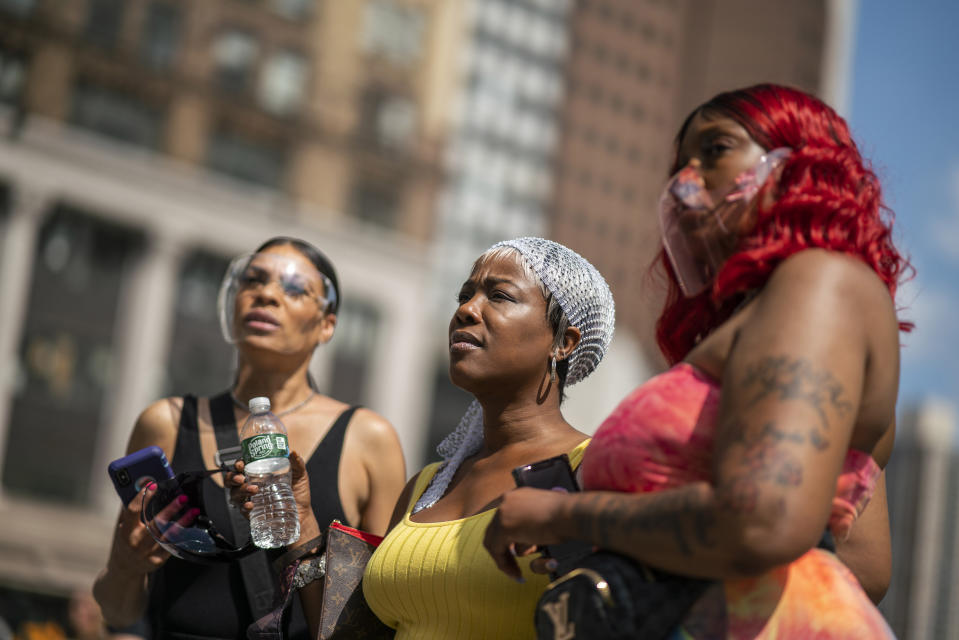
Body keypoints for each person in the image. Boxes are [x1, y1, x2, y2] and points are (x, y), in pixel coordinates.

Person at [483, 84, 909, 638]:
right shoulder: (774, 312)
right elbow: (864, 565)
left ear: (796, 165)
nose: (684, 183)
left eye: (715, 150)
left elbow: (764, 521)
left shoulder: (818, 282)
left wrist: (559, 515)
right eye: (679, 164)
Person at [270, 237, 614, 639]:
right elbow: (356, 634)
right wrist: (302, 521)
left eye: (499, 296)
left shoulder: (588, 472)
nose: (466, 310)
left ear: (564, 342)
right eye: (464, 295)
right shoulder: (424, 486)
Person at [92, 237, 406, 640]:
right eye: (253, 280)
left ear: (327, 324)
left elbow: (378, 620)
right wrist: (125, 566)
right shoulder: (167, 422)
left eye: (294, 288)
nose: (267, 294)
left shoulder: (369, 439)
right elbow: (118, 612)